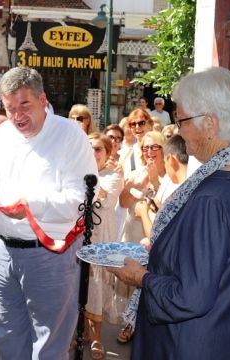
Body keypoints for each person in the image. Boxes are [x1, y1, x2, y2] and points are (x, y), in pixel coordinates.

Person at [108, 67, 230, 359]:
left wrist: (140, 277)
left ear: (210, 124)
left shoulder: (212, 197)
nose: (178, 128)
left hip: (193, 344)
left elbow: (189, 297)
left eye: (182, 119)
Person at [0, 67, 97, 359]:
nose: (17, 116)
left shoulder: (69, 135)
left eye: (25, 105)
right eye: (10, 108)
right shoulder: (2, 135)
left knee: (50, 345)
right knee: (9, 340)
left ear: (43, 99)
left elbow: (82, 199)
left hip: (50, 254)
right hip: (4, 252)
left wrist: (30, 205)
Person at [85, 132, 124, 359]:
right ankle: (81, 330)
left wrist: (88, 175)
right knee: (80, 283)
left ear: (108, 153)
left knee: (97, 284)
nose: (92, 153)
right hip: (79, 237)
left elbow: (106, 201)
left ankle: (97, 336)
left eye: (98, 149)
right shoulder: (77, 173)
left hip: (101, 237)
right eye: (88, 148)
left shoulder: (113, 176)